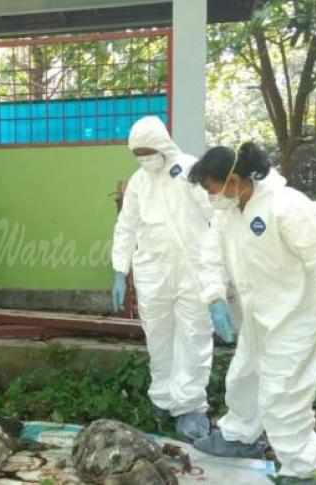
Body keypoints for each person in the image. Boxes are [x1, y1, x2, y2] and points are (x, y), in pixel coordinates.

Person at [189, 142, 316, 484]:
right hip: (258, 315)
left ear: (233, 180)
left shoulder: (287, 205)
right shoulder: (229, 210)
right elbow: (210, 257)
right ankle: (239, 438)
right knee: (244, 378)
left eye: (211, 189)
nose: (210, 198)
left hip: (297, 318)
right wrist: (215, 298)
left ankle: (305, 471)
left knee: (284, 397)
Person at [110, 116, 214, 443]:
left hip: (193, 271)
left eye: (147, 151)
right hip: (153, 271)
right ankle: (163, 397)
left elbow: (217, 216)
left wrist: (222, 269)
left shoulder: (190, 170)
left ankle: (190, 406)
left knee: (193, 337)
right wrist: (119, 270)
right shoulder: (139, 181)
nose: (143, 158)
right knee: (158, 336)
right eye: (137, 153)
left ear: (162, 145)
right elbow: (126, 226)